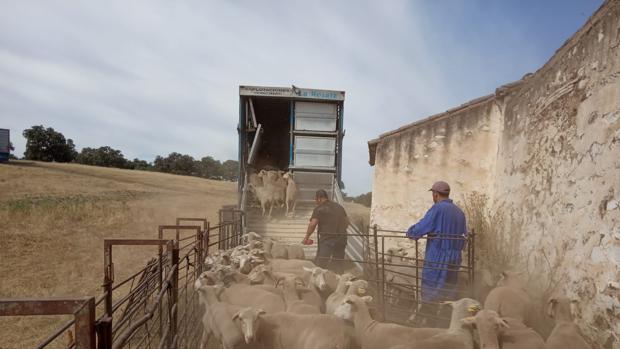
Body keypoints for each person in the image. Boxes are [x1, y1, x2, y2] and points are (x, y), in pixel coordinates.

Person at [406, 181, 467, 323]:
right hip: (455, 256)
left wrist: (411, 232)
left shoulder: (437, 209)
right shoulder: (460, 212)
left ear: (435, 194)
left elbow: (423, 226)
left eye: (433, 194)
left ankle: (429, 321)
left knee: (431, 288)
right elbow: (464, 237)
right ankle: (445, 321)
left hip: (438, 254)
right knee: (448, 290)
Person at [302, 189, 349, 273]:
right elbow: (347, 222)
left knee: (321, 263)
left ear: (319, 199)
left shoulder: (319, 209)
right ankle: (338, 281)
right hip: (342, 238)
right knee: (338, 264)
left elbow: (313, 224)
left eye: (316, 200)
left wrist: (306, 237)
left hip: (327, 239)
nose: (315, 202)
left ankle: (319, 282)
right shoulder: (339, 207)